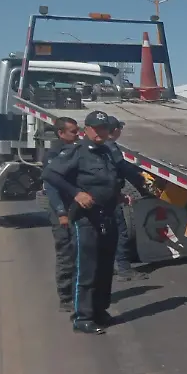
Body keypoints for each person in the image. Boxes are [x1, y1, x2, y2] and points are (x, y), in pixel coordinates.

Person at [43, 111, 154, 334]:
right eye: (97, 128)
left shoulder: (108, 152)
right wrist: (76, 193)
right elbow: (50, 175)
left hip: (108, 214)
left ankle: (99, 311)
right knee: (87, 268)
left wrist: (123, 191)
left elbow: (116, 175)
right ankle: (82, 317)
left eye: (104, 128)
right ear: (87, 129)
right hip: (86, 218)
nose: (101, 132)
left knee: (105, 268)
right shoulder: (76, 151)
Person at [43, 117, 81, 312]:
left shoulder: (77, 150)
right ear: (61, 133)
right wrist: (60, 212)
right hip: (63, 210)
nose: (77, 134)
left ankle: (79, 293)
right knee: (66, 253)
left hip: (78, 208)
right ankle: (65, 297)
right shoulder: (54, 154)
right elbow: (51, 187)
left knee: (81, 253)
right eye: (73, 131)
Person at [105, 117, 147, 281]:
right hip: (111, 196)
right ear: (115, 130)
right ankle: (124, 269)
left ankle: (106, 267)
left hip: (102, 195)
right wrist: (140, 178)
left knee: (106, 233)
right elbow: (122, 167)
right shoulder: (111, 147)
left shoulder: (98, 146)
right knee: (120, 232)